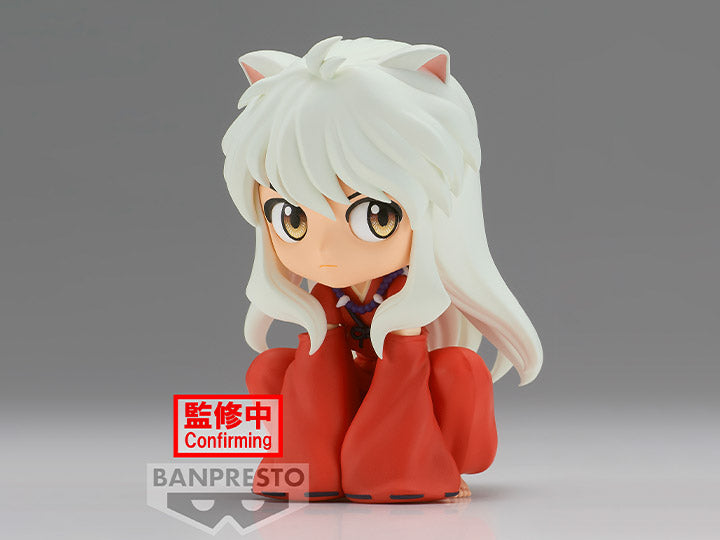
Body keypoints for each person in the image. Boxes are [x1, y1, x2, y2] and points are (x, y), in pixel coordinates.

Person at [221, 36, 542, 503]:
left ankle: (410, 468)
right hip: (348, 387)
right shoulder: (325, 296)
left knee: (459, 371)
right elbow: (318, 379)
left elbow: (406, 374)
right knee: (272, 369)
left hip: (413, 391)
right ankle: (314, 470)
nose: (324, 249)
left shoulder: (409, 292)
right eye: (292, 219)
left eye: (374, 217)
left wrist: (403, 339)